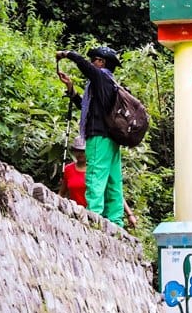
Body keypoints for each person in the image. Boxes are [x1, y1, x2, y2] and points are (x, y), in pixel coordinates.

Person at [56, 46, 125, 226]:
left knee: (95, 174)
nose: (93, 62)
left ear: (101, 62)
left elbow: (85, 66)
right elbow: (88, 109)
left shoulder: (101, 77)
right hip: (112, 139)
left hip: (99, 137)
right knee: (113, 180)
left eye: (94, 59)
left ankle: (93, 216)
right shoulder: (109, 83)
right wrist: (71, 89)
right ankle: (116, 222)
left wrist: (67, 54)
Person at [58, 135, 137, 227]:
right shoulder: (68, 169)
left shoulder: (98, 169)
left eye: (83, 151)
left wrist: (129, 214)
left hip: (96, 216)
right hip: (76, 214)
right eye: (77, 151)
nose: (80, 154)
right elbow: (62, 193)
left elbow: (115, 192)